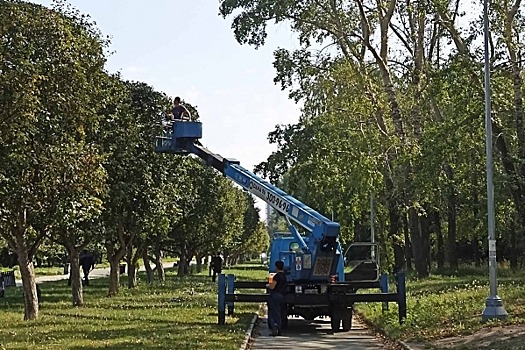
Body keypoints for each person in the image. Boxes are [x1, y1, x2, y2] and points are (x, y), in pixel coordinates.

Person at [266, 260, 287, 336]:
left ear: (276, 267)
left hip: (275, 295)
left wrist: (268, 285)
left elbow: (273, 286)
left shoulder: (277, 276)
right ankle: (280, 329)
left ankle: (275, 329)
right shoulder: (284, 276)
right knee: (279, 313)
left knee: (274, 313)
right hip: (282, 295)